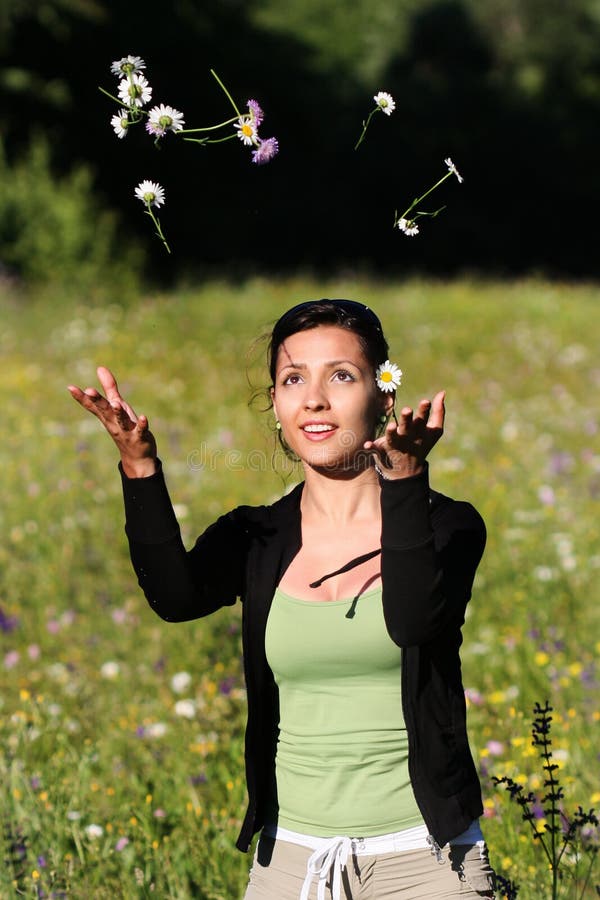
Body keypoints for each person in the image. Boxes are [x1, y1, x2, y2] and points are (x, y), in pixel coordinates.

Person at [68, 299, 496, 899]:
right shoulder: (256, 535)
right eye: (293, 379)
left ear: (385, 396)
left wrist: (402, 481)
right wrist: (139, 466)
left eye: (340, 376)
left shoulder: (445, 526)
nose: (314, 399)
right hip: (291, 863)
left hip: (426, 862)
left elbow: (411, 619)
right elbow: (175, 597)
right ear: (275, 404)